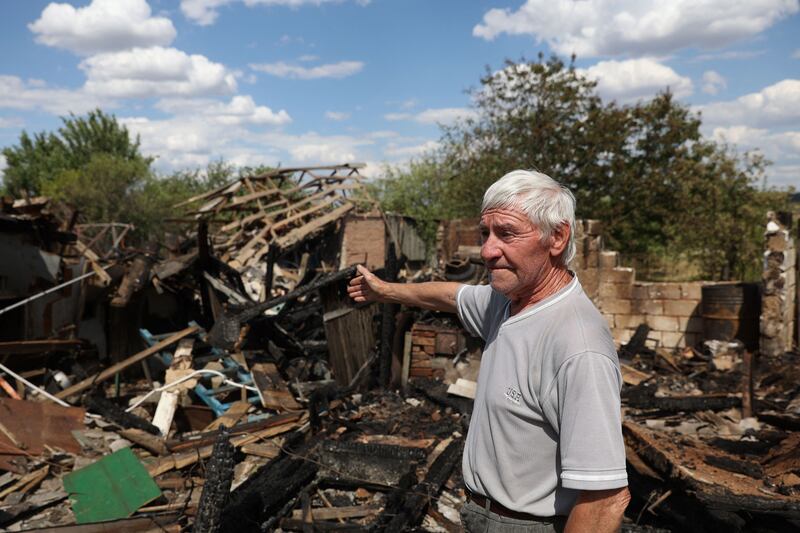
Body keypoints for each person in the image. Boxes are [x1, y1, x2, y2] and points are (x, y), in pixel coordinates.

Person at [347, 169, 630, 532]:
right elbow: (451, 295)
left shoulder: (577, 346)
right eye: (485, 233)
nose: (487, 251)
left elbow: (606, 499)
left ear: (557, 237)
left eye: (507, 234)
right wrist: (384, 291)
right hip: (485, 514)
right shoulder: (507, 301)